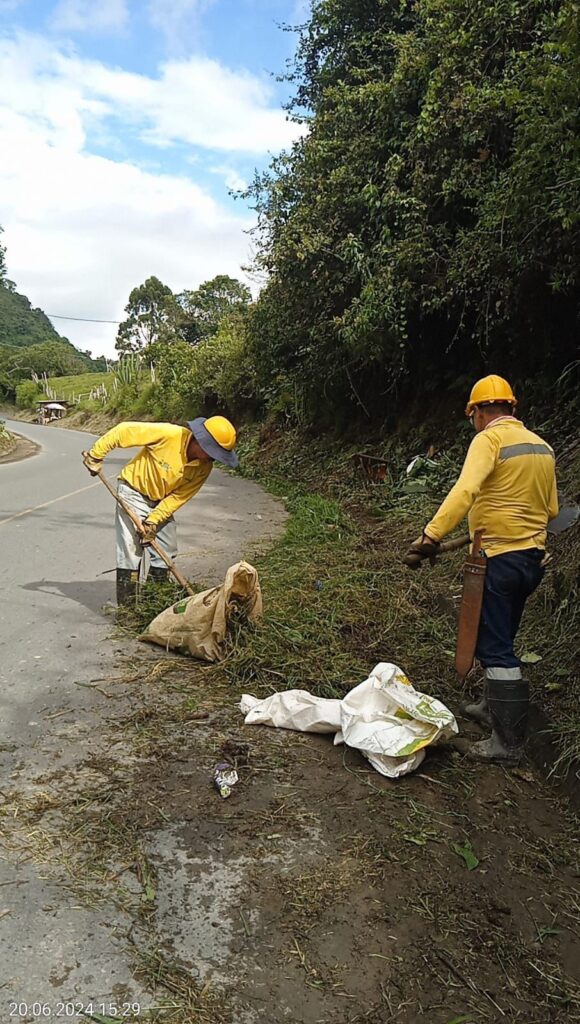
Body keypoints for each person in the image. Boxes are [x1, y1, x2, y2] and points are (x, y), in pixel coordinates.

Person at [406, 375, 558, 764]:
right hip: (531, 560)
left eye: (471, 413)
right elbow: (552, 511)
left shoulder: (488, 440)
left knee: (495, 648)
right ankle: (491, 708)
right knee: (503, 633)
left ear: (477, 411)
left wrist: (431, 535)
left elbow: (465, 491)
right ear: (512, 407)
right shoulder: (542, 447)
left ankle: (506, 743)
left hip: (500, 560)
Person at [83, 416, 239, 606]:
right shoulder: (170, 435)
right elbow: (124, 430)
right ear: (201, 441)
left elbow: (178, 497)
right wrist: (96, 455)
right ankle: (128, 608)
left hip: (159, 502)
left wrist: (153, 521)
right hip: (133, 491)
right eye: (213, 452)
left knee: (167, 548)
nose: (213, 458)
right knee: (132, 549)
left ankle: (153, 601)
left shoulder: (203, 467)